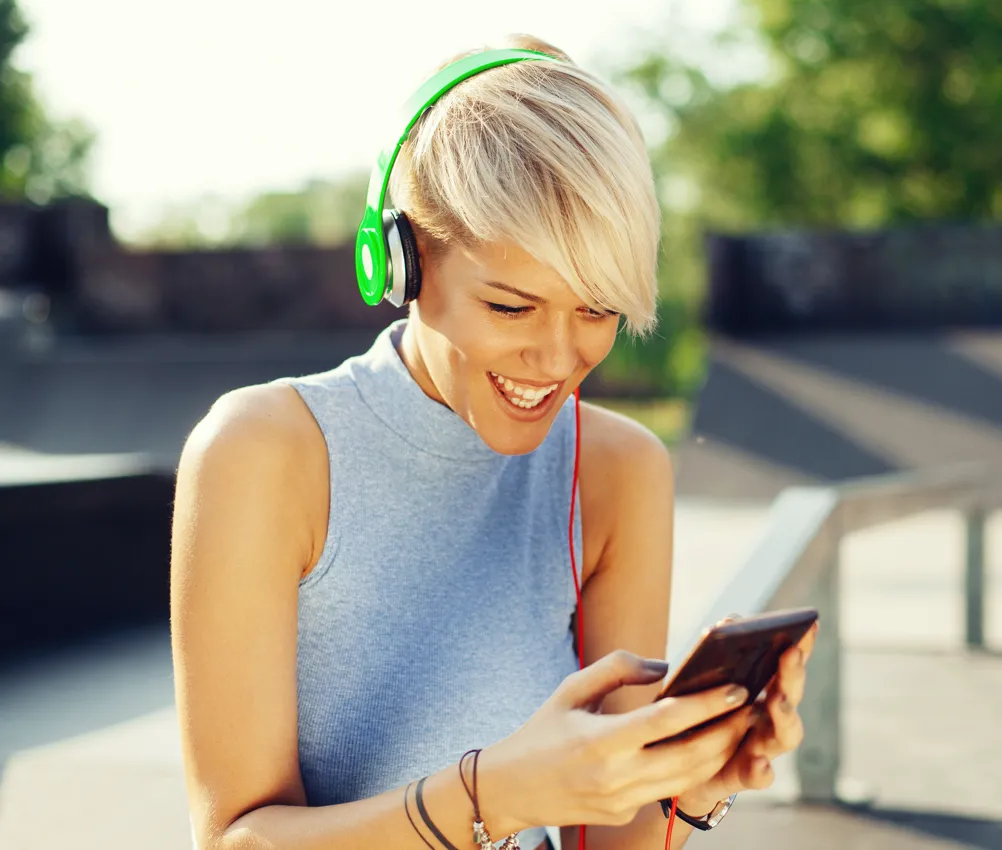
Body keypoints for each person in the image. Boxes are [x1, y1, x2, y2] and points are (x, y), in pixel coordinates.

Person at [169, 34, 817, 850]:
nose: (557, 360)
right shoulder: (266, 453)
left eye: (596, 310)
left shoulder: (619, 472)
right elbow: (235, 840)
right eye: (512, 307)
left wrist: (687, 791)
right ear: (403, 263)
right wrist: (493, 795)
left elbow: (608, 842)